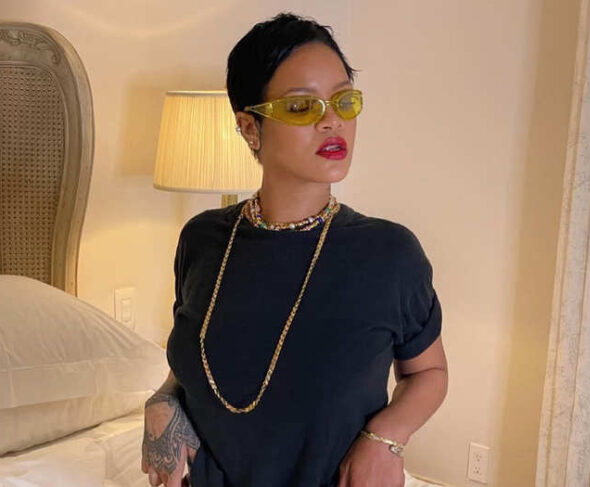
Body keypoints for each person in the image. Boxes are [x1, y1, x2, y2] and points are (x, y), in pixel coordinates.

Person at [141, 11, 448, 487]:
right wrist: (162, 400)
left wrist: (385, 437)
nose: (333, 121)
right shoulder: (201, 240)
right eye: (302, 107)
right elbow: (197, 360)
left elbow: (429, 372)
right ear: (249, 128)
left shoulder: (389, 254)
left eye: (343, 100)